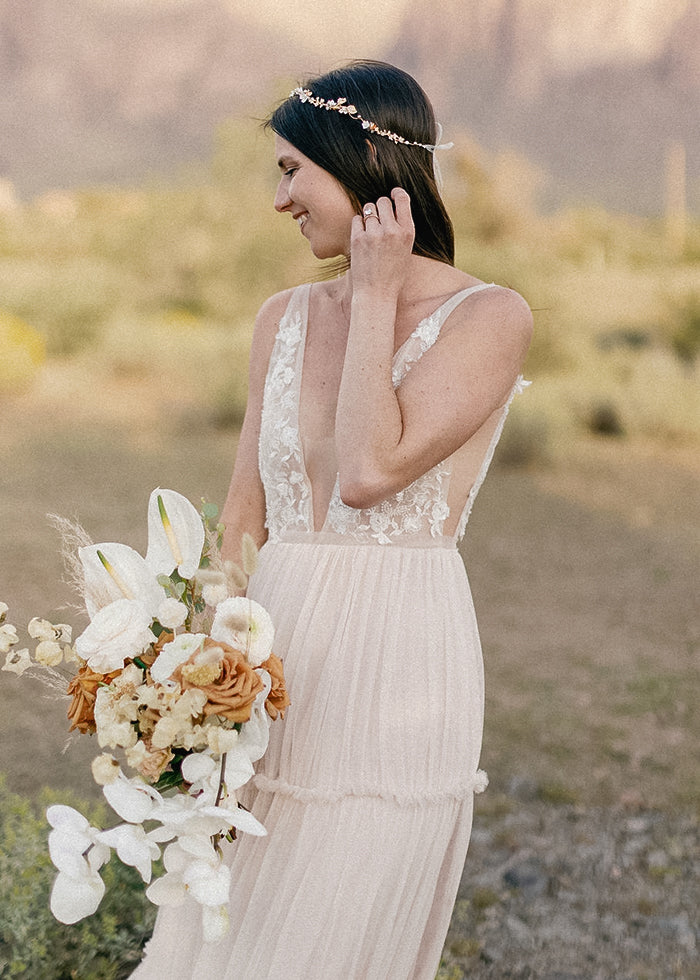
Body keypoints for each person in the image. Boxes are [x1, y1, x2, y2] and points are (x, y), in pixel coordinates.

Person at [132, 59, 532, 979]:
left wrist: (379, 293)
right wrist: (195, 671)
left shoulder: (491, 316)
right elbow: (245, 508)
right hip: (268, 656)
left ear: (359, 168)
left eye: (291, 171)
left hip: (395, 668)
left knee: (331, 941)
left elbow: (367, 472)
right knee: (221, 936)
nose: (280, 200)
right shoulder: (281, 316)